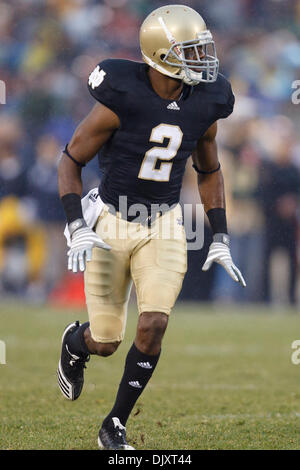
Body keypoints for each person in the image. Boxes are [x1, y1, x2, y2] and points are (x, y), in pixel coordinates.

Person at [56, 4, 246, 450]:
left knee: (154, 323)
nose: (204, 60)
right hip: (110, 221)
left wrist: (220, 234)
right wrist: (75, 223)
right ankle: (74, 342)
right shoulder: (122, 95)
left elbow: (209, 168)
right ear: (162, 55)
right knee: (105, 341)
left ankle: (114, 425)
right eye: (192, 51)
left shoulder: (207, 100)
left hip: (163, 223)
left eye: (204, 50)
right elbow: (70, 160)